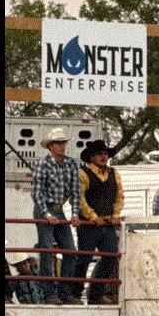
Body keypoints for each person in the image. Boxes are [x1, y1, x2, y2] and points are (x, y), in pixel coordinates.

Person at [30, 127, 81, 305]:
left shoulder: (71, 164)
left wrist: (75, 214)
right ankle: (49, 293)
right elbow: (37, 194)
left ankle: (64, 292)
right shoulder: (42, 164)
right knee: (47, 251)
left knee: (70, 251)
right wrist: (46, 214)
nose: (61, 147)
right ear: (50, 146)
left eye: (62, 143)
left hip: (59, 210)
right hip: (46, 209)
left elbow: (76, 191)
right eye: (58, 143)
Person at [72, 140, 123, 305]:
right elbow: (79, 198)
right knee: (84, 260)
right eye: (100, 154)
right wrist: (93, 217)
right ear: (92, 156)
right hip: (89, 224)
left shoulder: (114, 173)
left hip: (106, 223)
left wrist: (115, 214)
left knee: (110, 257)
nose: (104, 157)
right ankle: (76, 293)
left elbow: (119, 196)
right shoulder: (83, 172)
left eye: (105, 154)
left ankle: (95, 293)